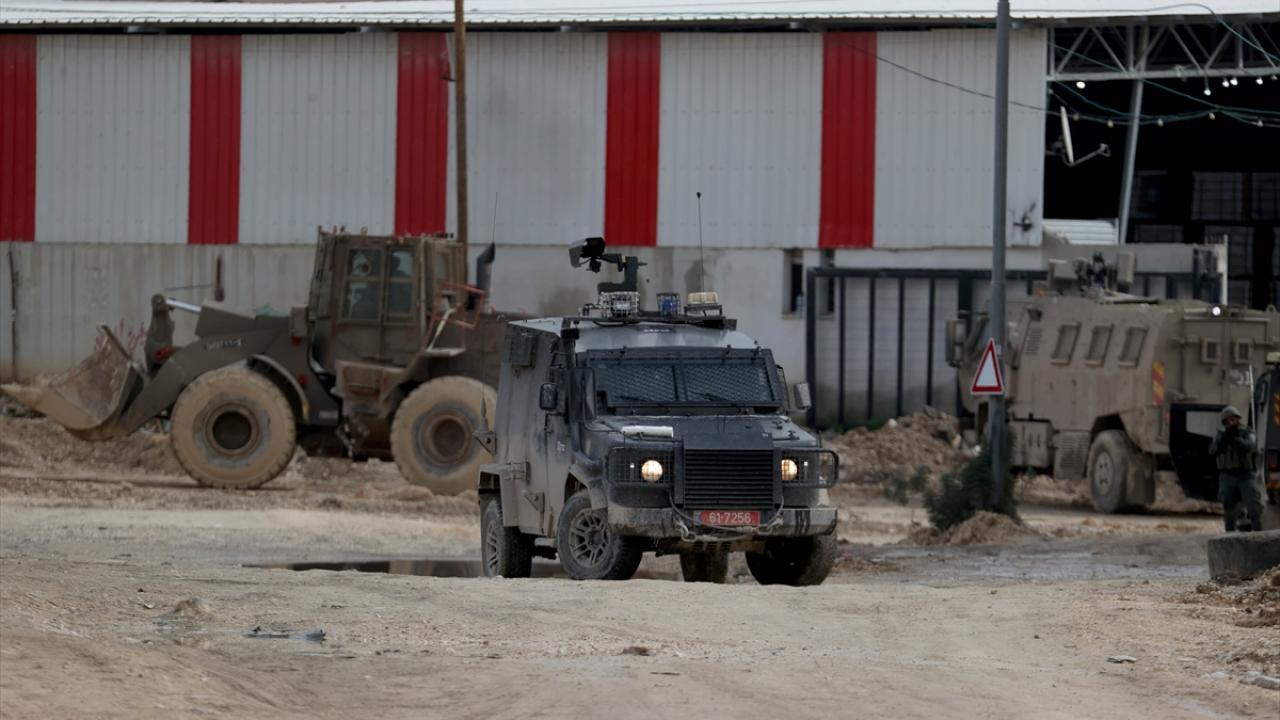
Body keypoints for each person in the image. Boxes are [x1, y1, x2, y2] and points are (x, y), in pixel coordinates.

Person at [1208, 406, 1262, 532]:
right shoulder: (1220, 435)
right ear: (1225, 422)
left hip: (1246, 475)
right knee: (1229, 510)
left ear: (1238, 419)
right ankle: (1230, 536)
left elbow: (1250, 445)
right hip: (1227, 476)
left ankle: (1259, 536)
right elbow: (1212, 450)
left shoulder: (1247, 432)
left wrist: (1237, 439)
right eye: (1228, 420)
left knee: (1254, 507)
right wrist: (1223, 440)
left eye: (1233, 419)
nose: (1231, 422)